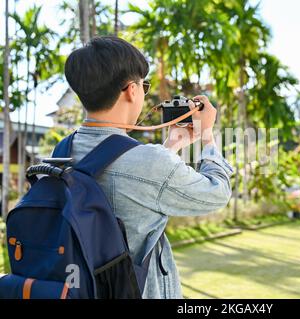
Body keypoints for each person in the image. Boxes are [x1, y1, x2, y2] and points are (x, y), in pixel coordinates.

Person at [62, 36, 233, 298]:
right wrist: (207, 134)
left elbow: (125, 180)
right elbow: (217, 193)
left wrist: (170, 147)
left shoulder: (61, 151)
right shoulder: (149, 162)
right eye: (144, 85)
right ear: (132, 90)